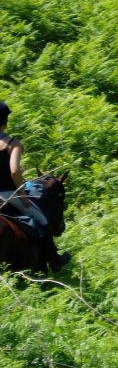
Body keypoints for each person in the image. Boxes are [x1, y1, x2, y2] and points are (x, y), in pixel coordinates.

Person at [0, 100, 70, 270]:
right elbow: (15, 171)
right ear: (5, 121)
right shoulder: (12, 144)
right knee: (43, 221)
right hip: (9, 194)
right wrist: (23, 196)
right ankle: (54, 259)